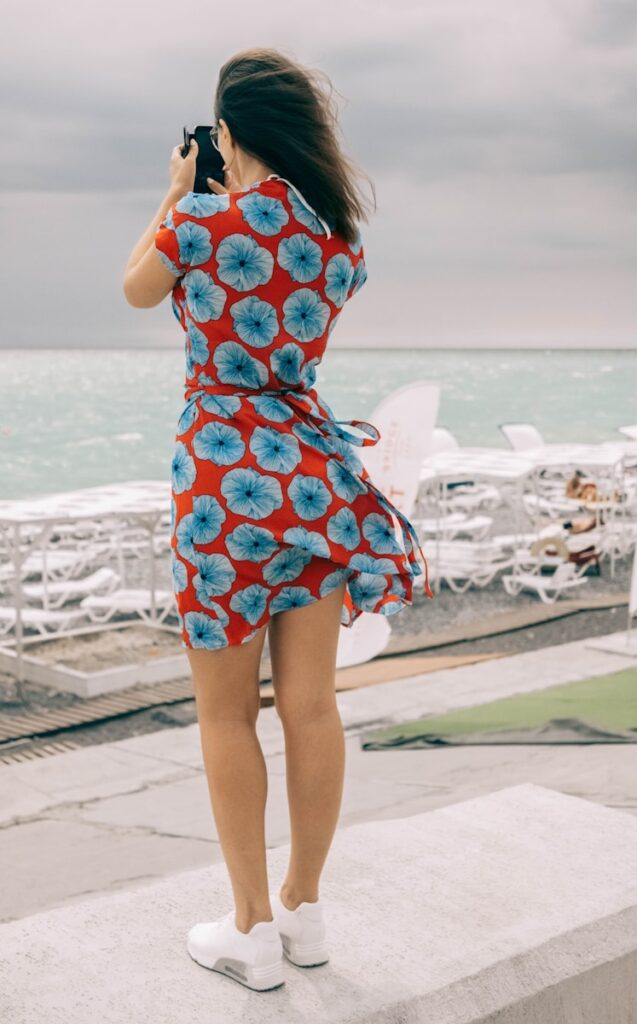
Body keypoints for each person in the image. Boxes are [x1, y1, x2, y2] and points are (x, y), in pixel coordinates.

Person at [123, 46, 433, 991]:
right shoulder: (336, 243)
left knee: (225, 715)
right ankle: (304, 910)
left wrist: (177, 193)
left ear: (226, 135)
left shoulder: (201, 223)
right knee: (312, 705)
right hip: (309, 476)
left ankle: (250, 929)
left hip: (223, 483)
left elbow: (137, 286)